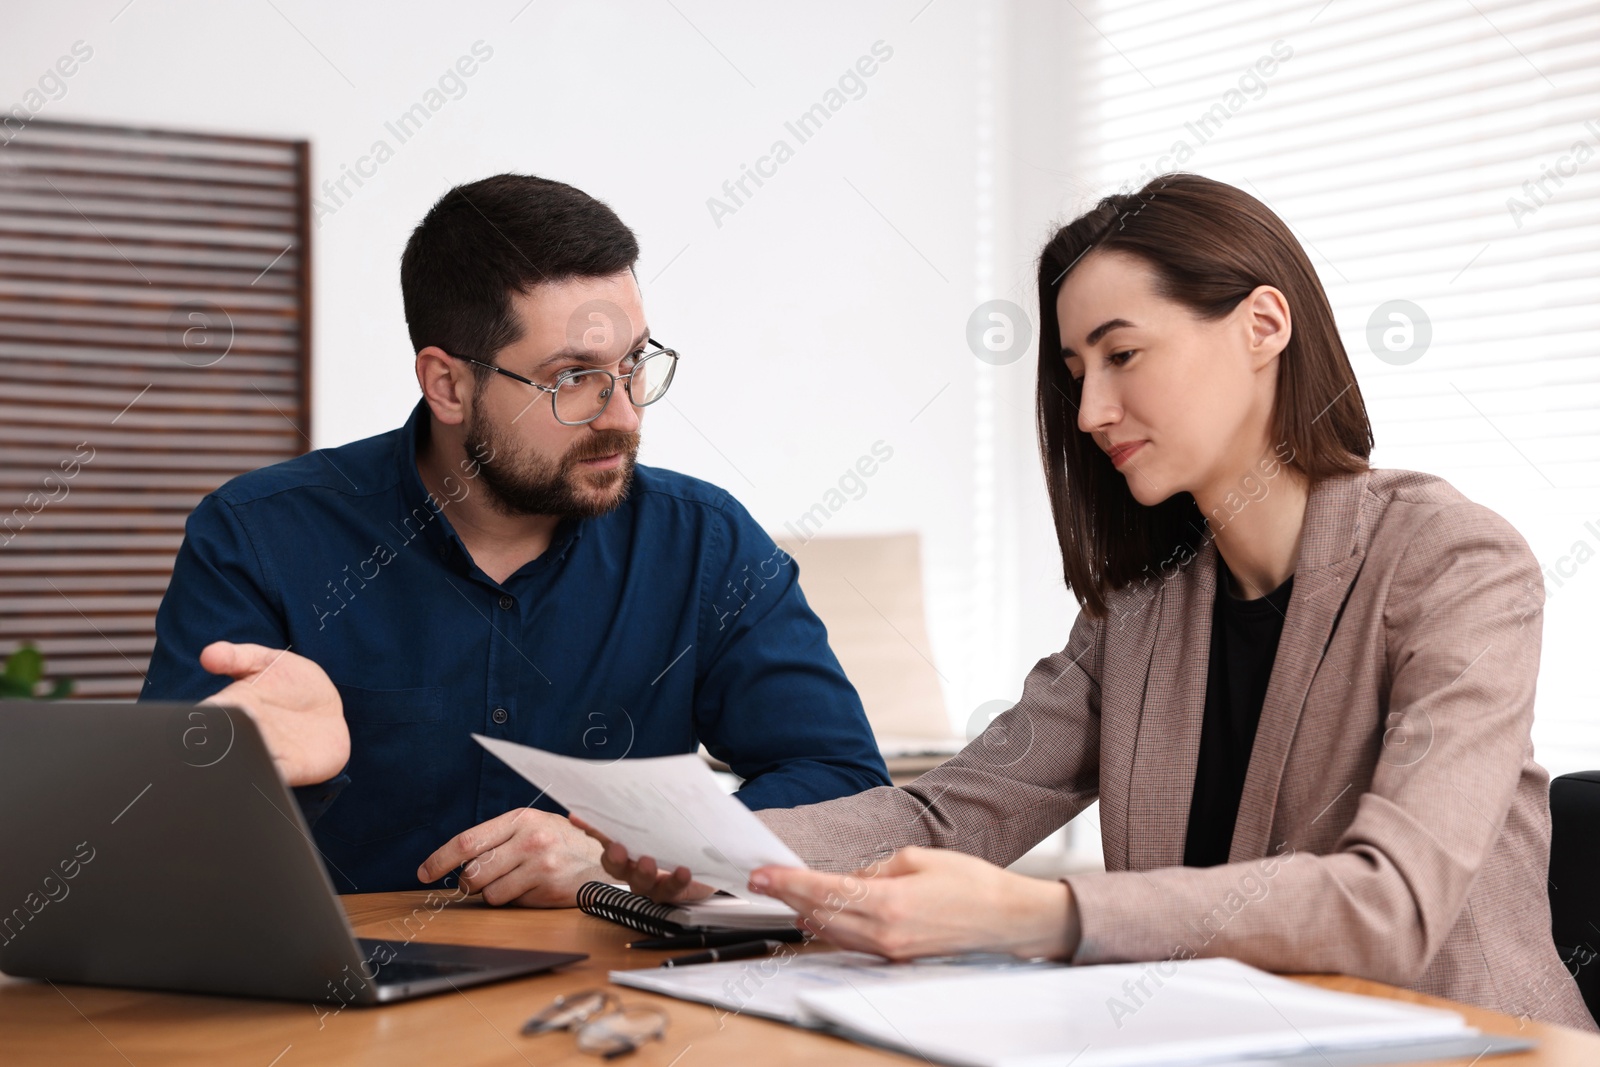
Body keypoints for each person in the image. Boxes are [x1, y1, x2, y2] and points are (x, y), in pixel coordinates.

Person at [584, 173, 1597, 1031]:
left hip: (1468, 1044)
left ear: (1261, 324)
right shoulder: (1144, 610)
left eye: (1122, 354)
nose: (1089, 411)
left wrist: (1036, 913)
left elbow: (1392, 901)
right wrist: (720, 853)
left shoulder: (1455, 564)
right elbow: (946, 811)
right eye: (1074, 371)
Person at [140, 173, 890, 906]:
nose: (623, 415)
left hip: (620, 1000)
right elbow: (155, 846)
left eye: (631, 365)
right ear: (448, 385)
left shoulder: (705, 544)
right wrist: (266, 774)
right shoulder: (259, 535)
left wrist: (629, 850)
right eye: (573, 380)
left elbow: (844, 783)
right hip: (338, 1011)